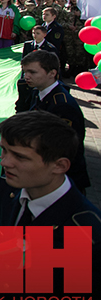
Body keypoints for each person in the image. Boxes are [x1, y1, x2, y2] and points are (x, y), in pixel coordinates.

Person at [0, 111, 100, 300]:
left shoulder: (85, 232)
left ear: (59, 165)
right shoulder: (8, 188)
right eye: (4, 150)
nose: (4, 162)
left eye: (20, 157)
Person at [14, 50, 90, 193]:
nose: (27, 76)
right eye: (25, 72)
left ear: (52, 73)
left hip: (60, 180)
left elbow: (62, 148)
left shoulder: (62, 105)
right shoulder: (39, 91)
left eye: (33, 72)